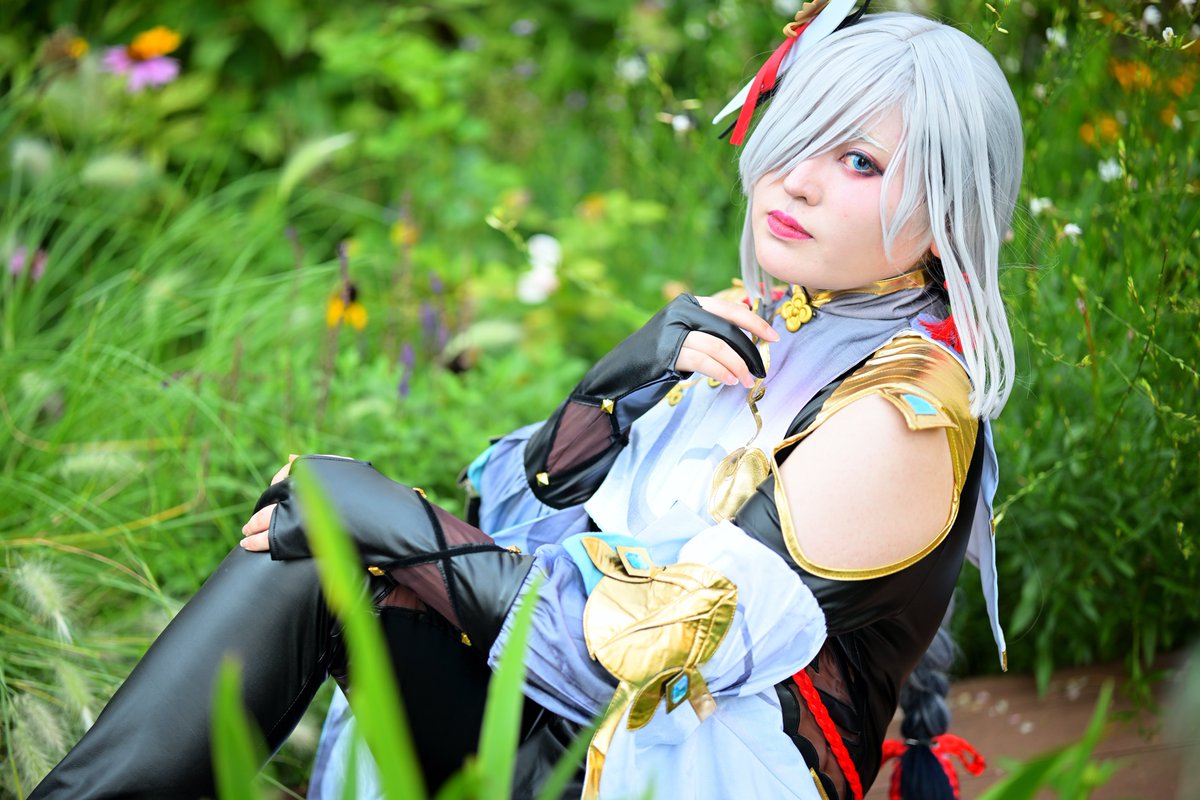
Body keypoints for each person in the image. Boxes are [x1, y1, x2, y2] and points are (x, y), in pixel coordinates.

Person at [31, 5, 1021, 800]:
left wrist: (383, 518)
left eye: (859, 162)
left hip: (683, 764)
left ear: (948, 216)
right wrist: (620, 379)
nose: (794, 179)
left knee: (328, 548)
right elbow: (529, 508)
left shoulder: (899, 414)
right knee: (320, 552)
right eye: (796, 133)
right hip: (596, 731)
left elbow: (636, 653)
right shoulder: (779, 324)